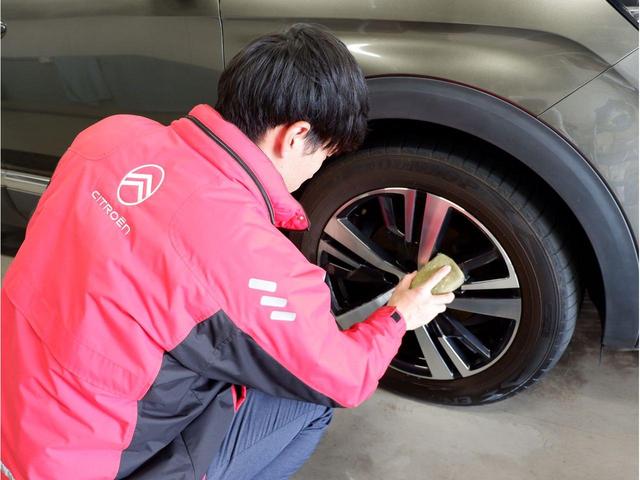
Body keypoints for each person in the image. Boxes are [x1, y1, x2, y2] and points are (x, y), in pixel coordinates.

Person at [0, 24, 454, 480]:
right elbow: (345, 379)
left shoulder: (108, 136)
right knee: (308, 403)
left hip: (12, 410)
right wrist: (399, 315)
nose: (317, 169)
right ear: (296, 135)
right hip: (73, 468)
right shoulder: (250, 253)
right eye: (324, 156)